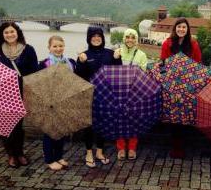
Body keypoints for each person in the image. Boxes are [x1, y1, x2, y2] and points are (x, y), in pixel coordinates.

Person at [0, 22, 38, 168]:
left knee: (18, 126)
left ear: (17, 33)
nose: (9, 35)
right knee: (6, 125)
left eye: (12, 32)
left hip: (21, 92)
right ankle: (11, 154)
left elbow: (34, 71)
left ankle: (19, 153)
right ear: (2, 35)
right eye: (6, 32)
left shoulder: (28, 50)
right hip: (2, 93)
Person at [76, 26, 122, 168]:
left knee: (103, 124)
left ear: (102, 37)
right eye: (93, 36)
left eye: (98, 36)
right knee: (89, 125)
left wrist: (117, 60)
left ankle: (100, 152)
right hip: (90, 95)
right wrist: (82, 62)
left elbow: (117, 73)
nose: (96, 38)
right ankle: (89, 152)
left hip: (106, 95)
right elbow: (80, 77)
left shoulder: (110, 53)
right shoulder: (84, 54)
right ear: (89, 38)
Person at [160, 17, 201, 158]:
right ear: (175, 28)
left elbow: (197, 64)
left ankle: (182, 145)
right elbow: (163, 64)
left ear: (187, 29)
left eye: (184, 27)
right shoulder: (168, 43)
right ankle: (175, 146)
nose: (181, 29)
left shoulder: (193, 44)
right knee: (173, 116)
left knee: (185, 116)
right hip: (171, 85)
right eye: (179, 27)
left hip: (188, 85)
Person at [39, 36, 76, 170]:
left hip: (64, 101)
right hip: (49, 102)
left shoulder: (70, 62)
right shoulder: (44, 64)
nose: (58, 48)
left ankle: (59, 156)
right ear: (49, 48)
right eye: (55, 46)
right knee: (49, 132)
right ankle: (49, 159)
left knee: (60, 132)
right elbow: (39, 84)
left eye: (60, 46)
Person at [113, 28, 148, 160]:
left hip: (135, 92)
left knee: (134, 120)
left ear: (136, 40)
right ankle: (121, 148)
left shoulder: (141, 55)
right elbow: (113, 71)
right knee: (120, 120)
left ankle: (132, 147)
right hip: (119, 91)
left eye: (133, 37)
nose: (130, 40)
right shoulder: (117, 52)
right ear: (124, 38)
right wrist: (115, 58)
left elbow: (143, 74)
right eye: (127, 37)